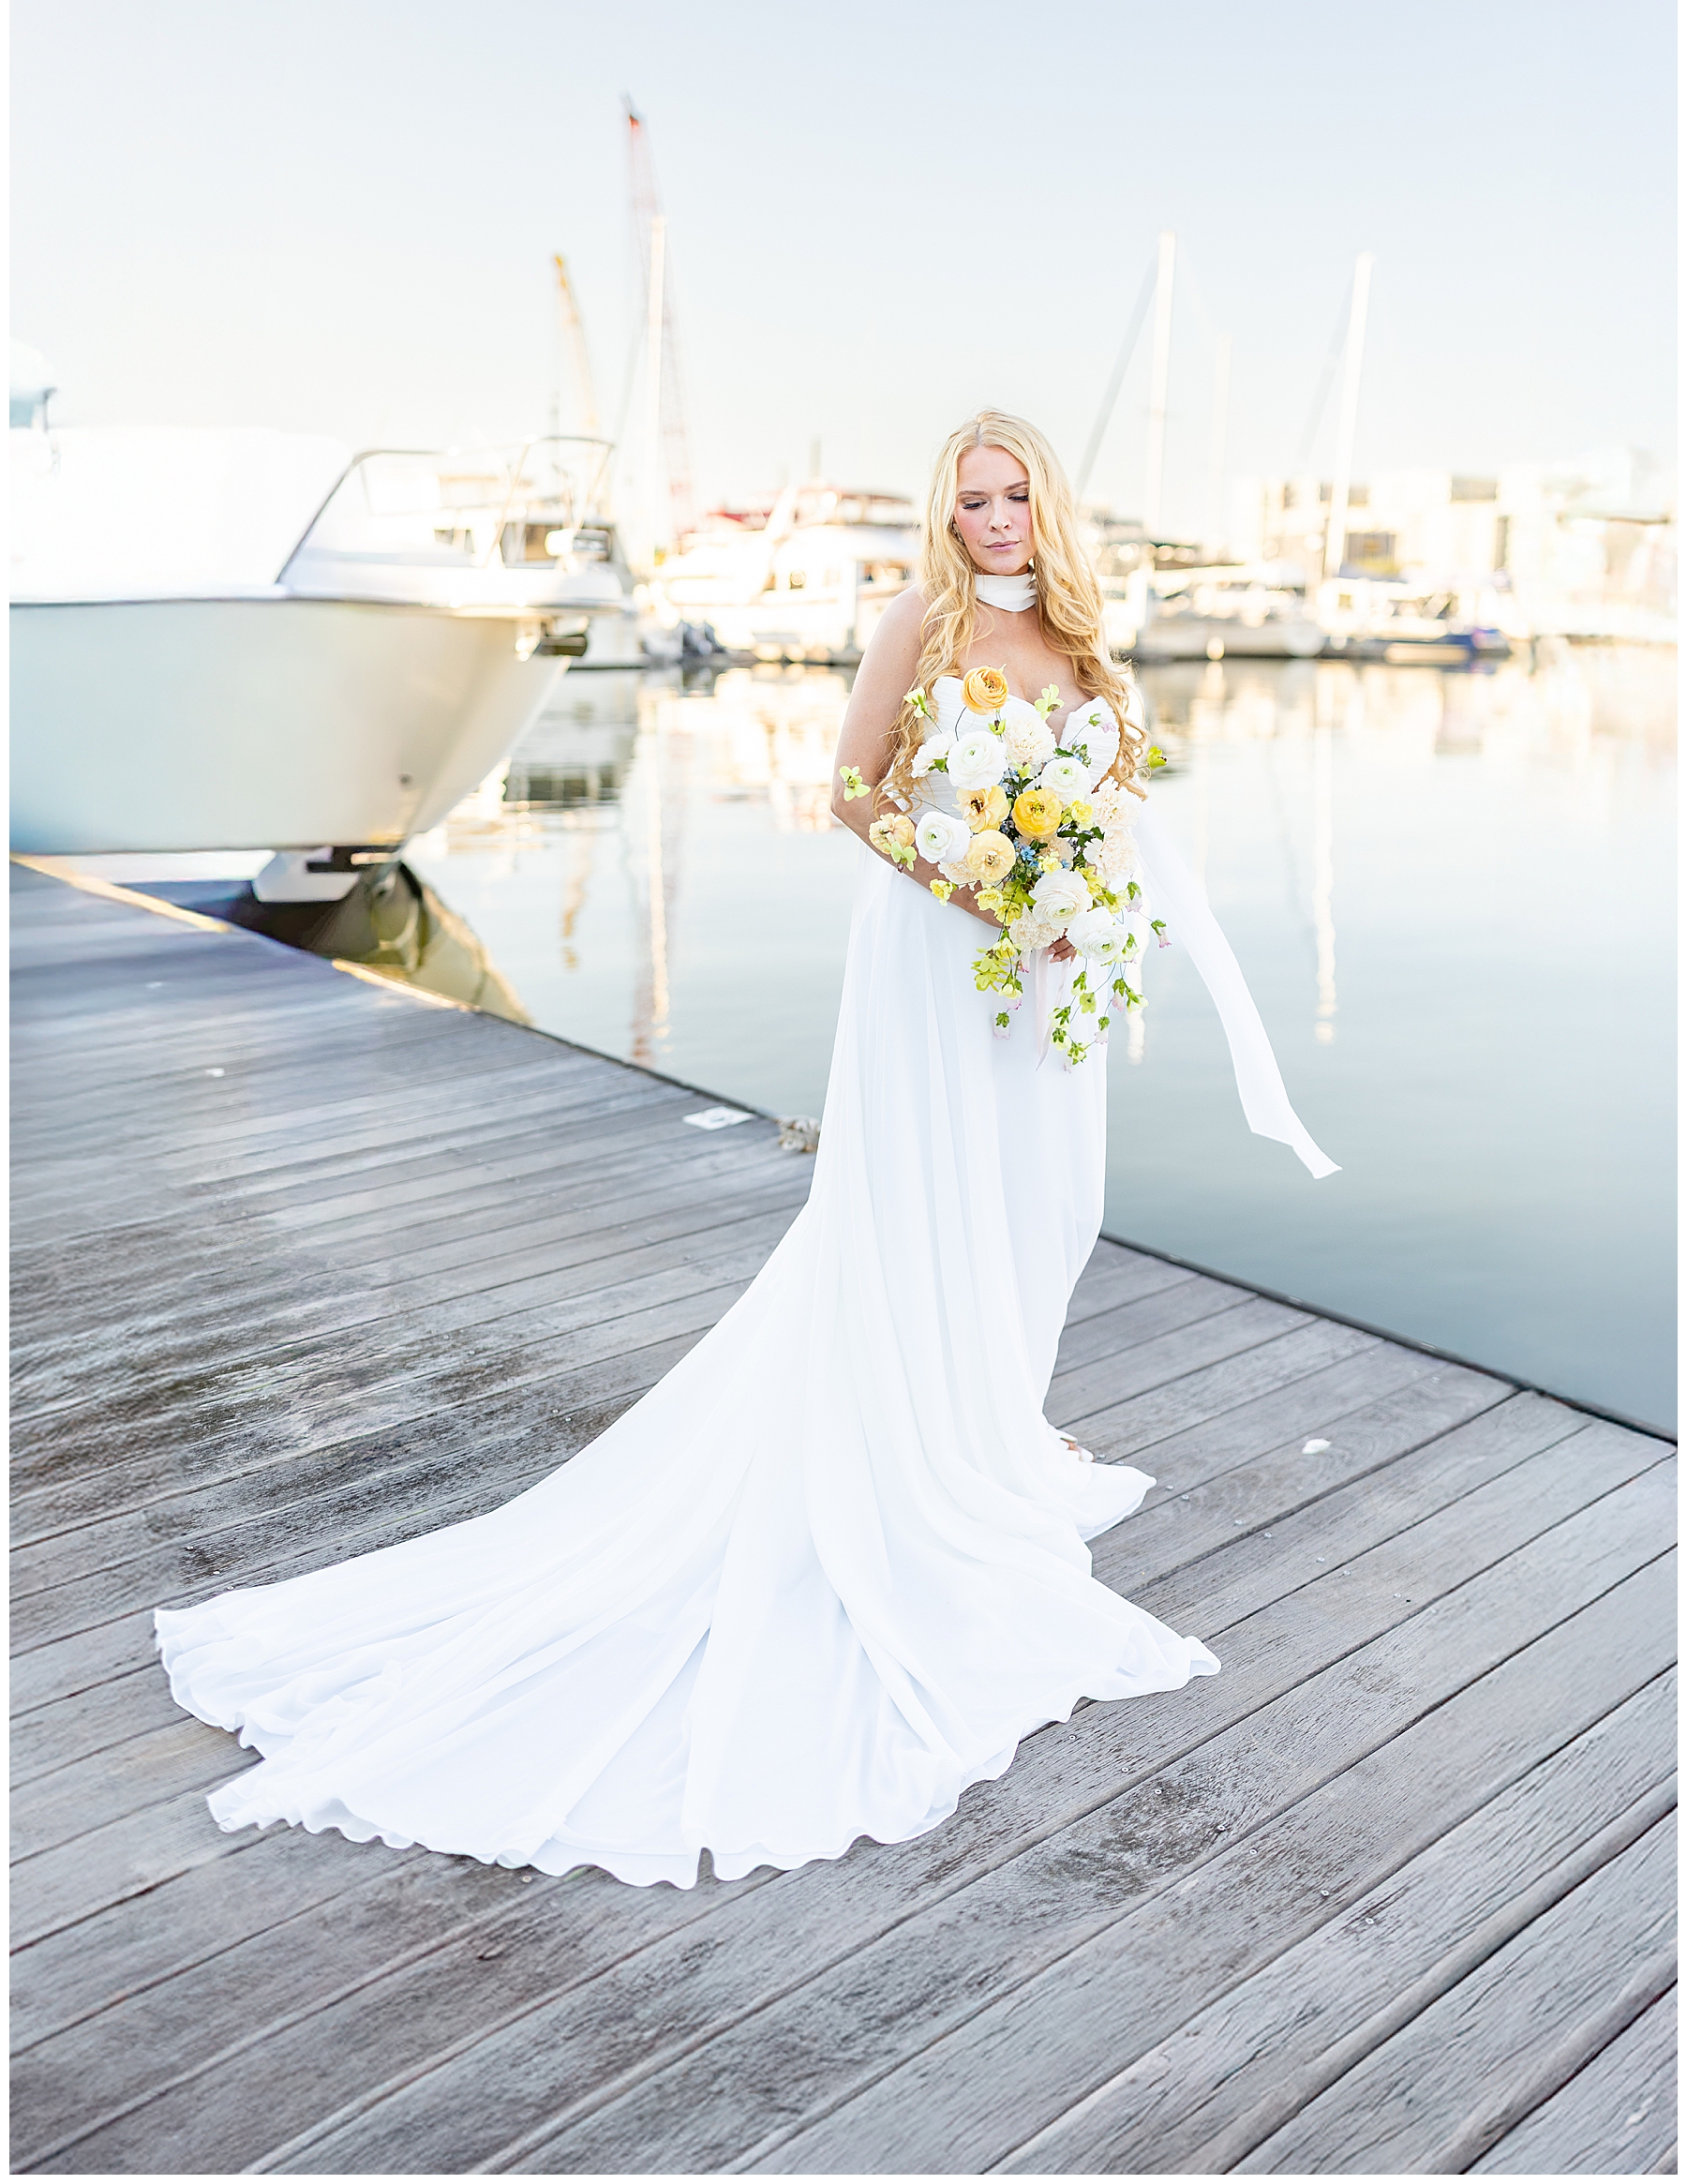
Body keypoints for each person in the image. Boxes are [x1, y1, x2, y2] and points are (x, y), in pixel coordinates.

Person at [157, 411, 1333, 1891]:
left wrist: (1086, 883)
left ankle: (992, 1423)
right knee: (929, 1200)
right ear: (943, 511)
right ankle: (934, 1448)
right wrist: (985, 893)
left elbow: (1116, 797)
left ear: (1049, 501)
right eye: (970, 498)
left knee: (1047, 1203)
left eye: (1014, 493)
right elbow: (855, 792)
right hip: (946, 954)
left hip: (1058, 972)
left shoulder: (1090, 637)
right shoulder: (926, 614)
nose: (993, 519)